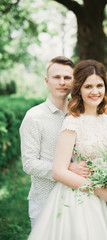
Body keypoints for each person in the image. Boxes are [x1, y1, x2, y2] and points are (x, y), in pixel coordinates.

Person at [28, 59, 107, 240]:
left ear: (106, 87)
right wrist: (100, 191)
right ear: (78, 89)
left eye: (99, 85)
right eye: (88, 87)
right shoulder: (72, 122)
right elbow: (58, 171)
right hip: (83, 198)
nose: (95, 92)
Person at [20, 56, 89, 229]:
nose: (62, 82)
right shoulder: (33, 117)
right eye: (57, 77)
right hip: (45, 200)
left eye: (67, 78)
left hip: (79, 199)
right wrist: (65, 170)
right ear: (47, 81)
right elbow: (29, 164)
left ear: (74, 81)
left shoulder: (81, 115)